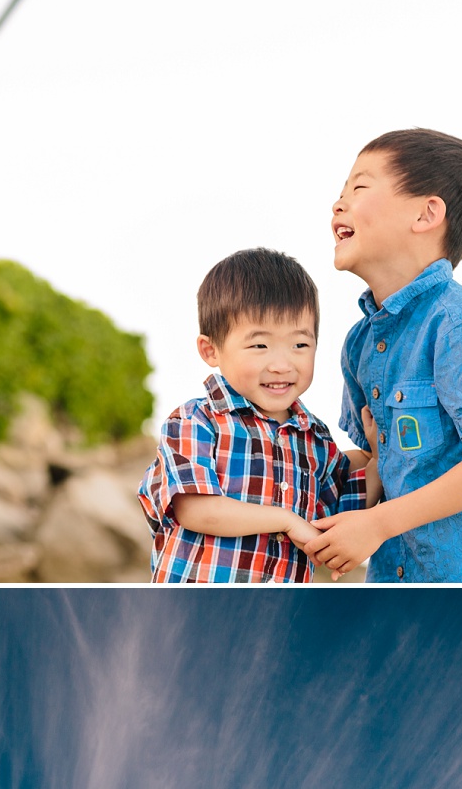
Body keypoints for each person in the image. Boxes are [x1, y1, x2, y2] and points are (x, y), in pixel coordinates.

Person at [312, 129, 462, 582]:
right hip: (401, 587)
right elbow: (378, 465)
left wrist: (374, 525)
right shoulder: (359, 343)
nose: (338, 204)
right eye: (340, 192)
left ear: (426, 214)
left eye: (359, 187)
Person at [138, 247, 379, 584]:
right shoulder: (196, 421)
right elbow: (196, 510)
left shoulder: (316, 441)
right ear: (211, 350)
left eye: (300, 345)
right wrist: (286, 519)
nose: (282, 364)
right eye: (259, 346)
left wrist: (380, 457)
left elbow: (345, 507)